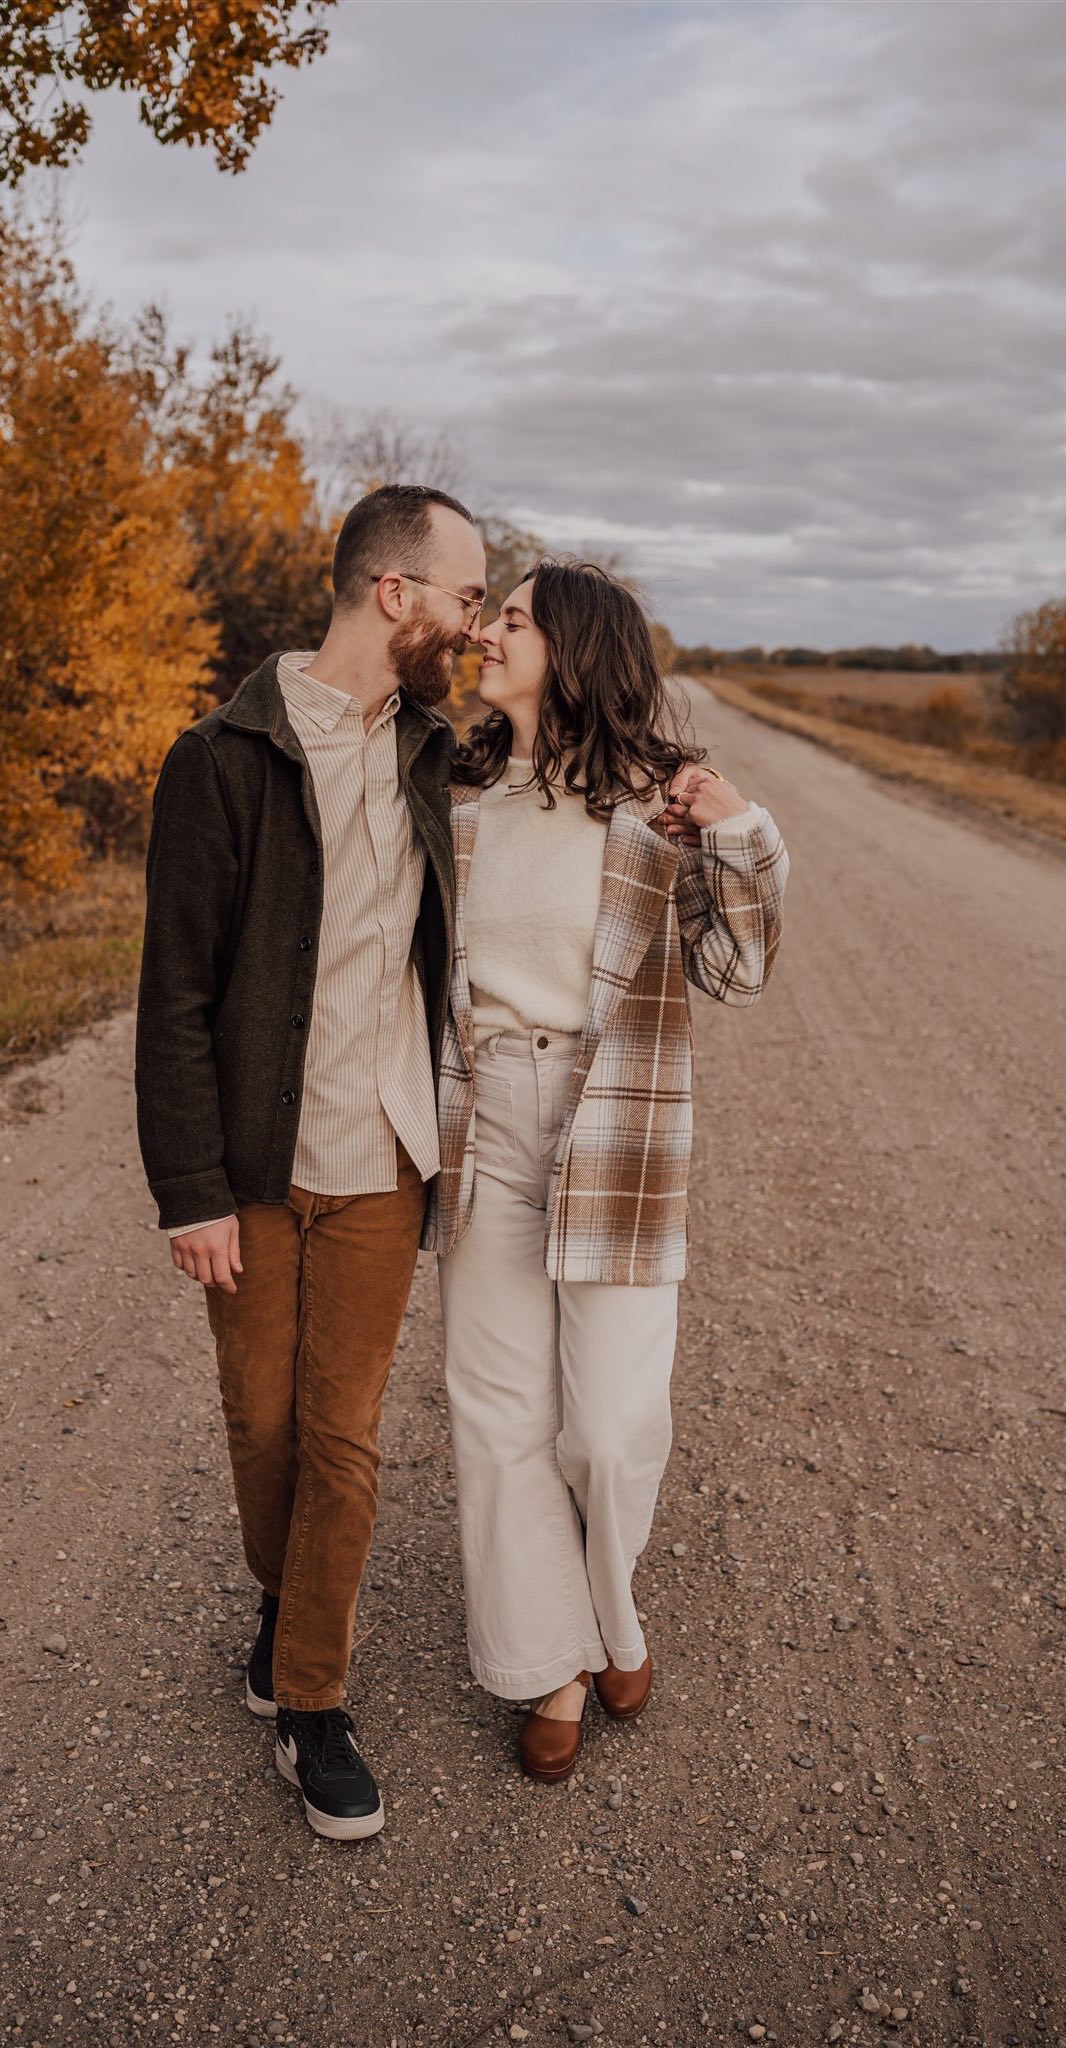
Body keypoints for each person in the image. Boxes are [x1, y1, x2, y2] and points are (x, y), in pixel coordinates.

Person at [135, 484, 487, 1839]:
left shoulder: (435, 753)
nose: (467, 621)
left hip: (386, 1157)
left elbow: (580, 755)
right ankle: (285, 1607)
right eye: (460, 595)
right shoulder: (220, 759)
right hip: (257, 1165)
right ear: (392, 595)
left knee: (341, 1441)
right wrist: (192, 1190)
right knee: (264, 1426)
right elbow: (174, 995)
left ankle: (313, 1705)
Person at [422, 560, 789, 1782]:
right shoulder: (456, 785)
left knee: (611, 1425)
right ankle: (553, 1667)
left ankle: (613, 1616)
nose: (487, 633)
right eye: (490, 615)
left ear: (572, 647)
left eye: (512, 619)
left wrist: (739, 832)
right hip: (484, 1120)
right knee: (497, 1415)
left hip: (611, 1127)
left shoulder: (660, 803)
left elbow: (738, 974)